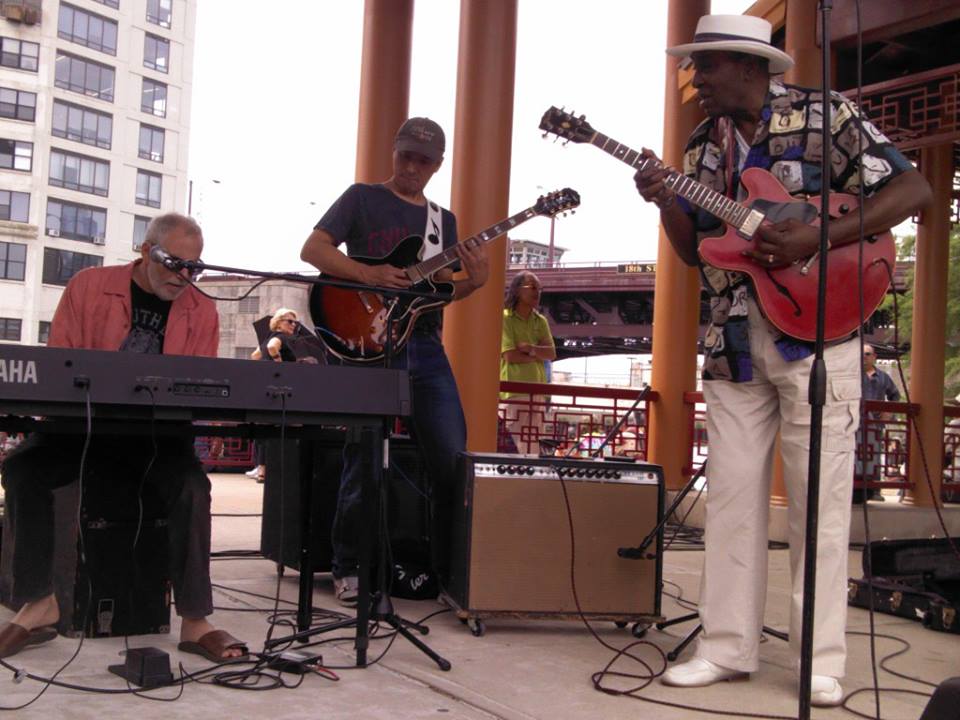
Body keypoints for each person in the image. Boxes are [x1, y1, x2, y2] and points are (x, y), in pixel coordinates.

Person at [633, 14, 932, 706]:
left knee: (819, 505)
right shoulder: (704, 145)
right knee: (732, 500)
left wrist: (817, 237)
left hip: (820, 333)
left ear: (747, 65)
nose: (696, 79)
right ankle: (726, 647)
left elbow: (911, 191)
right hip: (733, 342)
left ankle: (818, 660)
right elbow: (694, 250)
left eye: (705, 67)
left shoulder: (828, 115)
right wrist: (664, 201)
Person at [0, 213, 247, 663]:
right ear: (144, 250)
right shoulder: (89, 286)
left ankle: (195, 620)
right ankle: (38, 601)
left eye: (195, 267)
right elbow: (62, 364)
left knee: (193, 486)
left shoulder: (202, 309)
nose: (184, 276)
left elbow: (197, 386)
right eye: (174, 262)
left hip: (154, 437)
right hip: (82, 429)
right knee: (21, 468)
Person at [300, 117, 489, 606]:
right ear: (394, 151)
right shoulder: (363, 197)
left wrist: (477, 280)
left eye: (422, 160)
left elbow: (438, 294)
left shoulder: (441, 222)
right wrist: (370, 274)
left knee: (452, 456)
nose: (410, 165)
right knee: (364, 456)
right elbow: (313, 248)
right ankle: (348, 567)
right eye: (405, 154)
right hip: (368, 340)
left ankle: (448, 570)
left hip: (424, 344)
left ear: (437, 165)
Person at [499, 271, 556, 453]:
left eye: (539, 288)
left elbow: (551, 353)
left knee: (531, 447)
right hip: (514, 392)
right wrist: (538, 354)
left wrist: (530, 349)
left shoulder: (541, 321)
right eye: (532, 287)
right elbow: (510, 356)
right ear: (516, 290)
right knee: (512, 446)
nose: (537, 292)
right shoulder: (505, 318)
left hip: (538, 392)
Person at [246, 308, 301, 482]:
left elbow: (255, 356)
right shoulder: (280, 338)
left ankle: (262, 468)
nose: (293, 325)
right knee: (284, 427)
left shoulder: (265, 339)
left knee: (265, 428)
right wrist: (279, 364)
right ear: (278, 322)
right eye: (289, 321)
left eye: (295, 322)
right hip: (280, 389)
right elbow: (272, 348)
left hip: (264, 388)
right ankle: (277, 468)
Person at [854, 344, 900, 502]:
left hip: (875, 425)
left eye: (867, 354)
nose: (864, 357)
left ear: (874, 357)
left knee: (874, 455)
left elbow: (895, 395)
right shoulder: (853, 374)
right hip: (854, 423)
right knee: (854, 456)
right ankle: (856, 491)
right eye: (862, 354)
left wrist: (888, 412)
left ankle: (875, 490)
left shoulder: (883, 377)